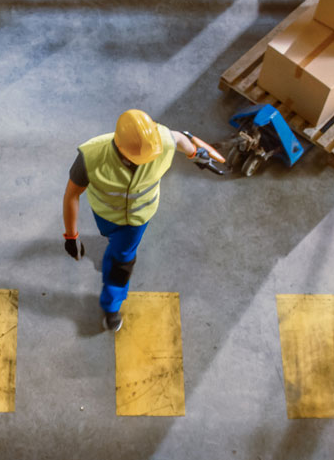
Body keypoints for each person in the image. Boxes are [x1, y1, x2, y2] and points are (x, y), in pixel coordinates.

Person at [62, 109, 225, 332]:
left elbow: (180, 139)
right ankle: (112, 254)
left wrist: (196, 154)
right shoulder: (91, 156)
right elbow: (71, 194)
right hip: (105, 216)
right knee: (113, 245)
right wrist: (71, 236)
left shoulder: (162, 140)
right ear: (119, 147)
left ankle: (111, 306)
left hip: (138, 219)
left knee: (122, 262)